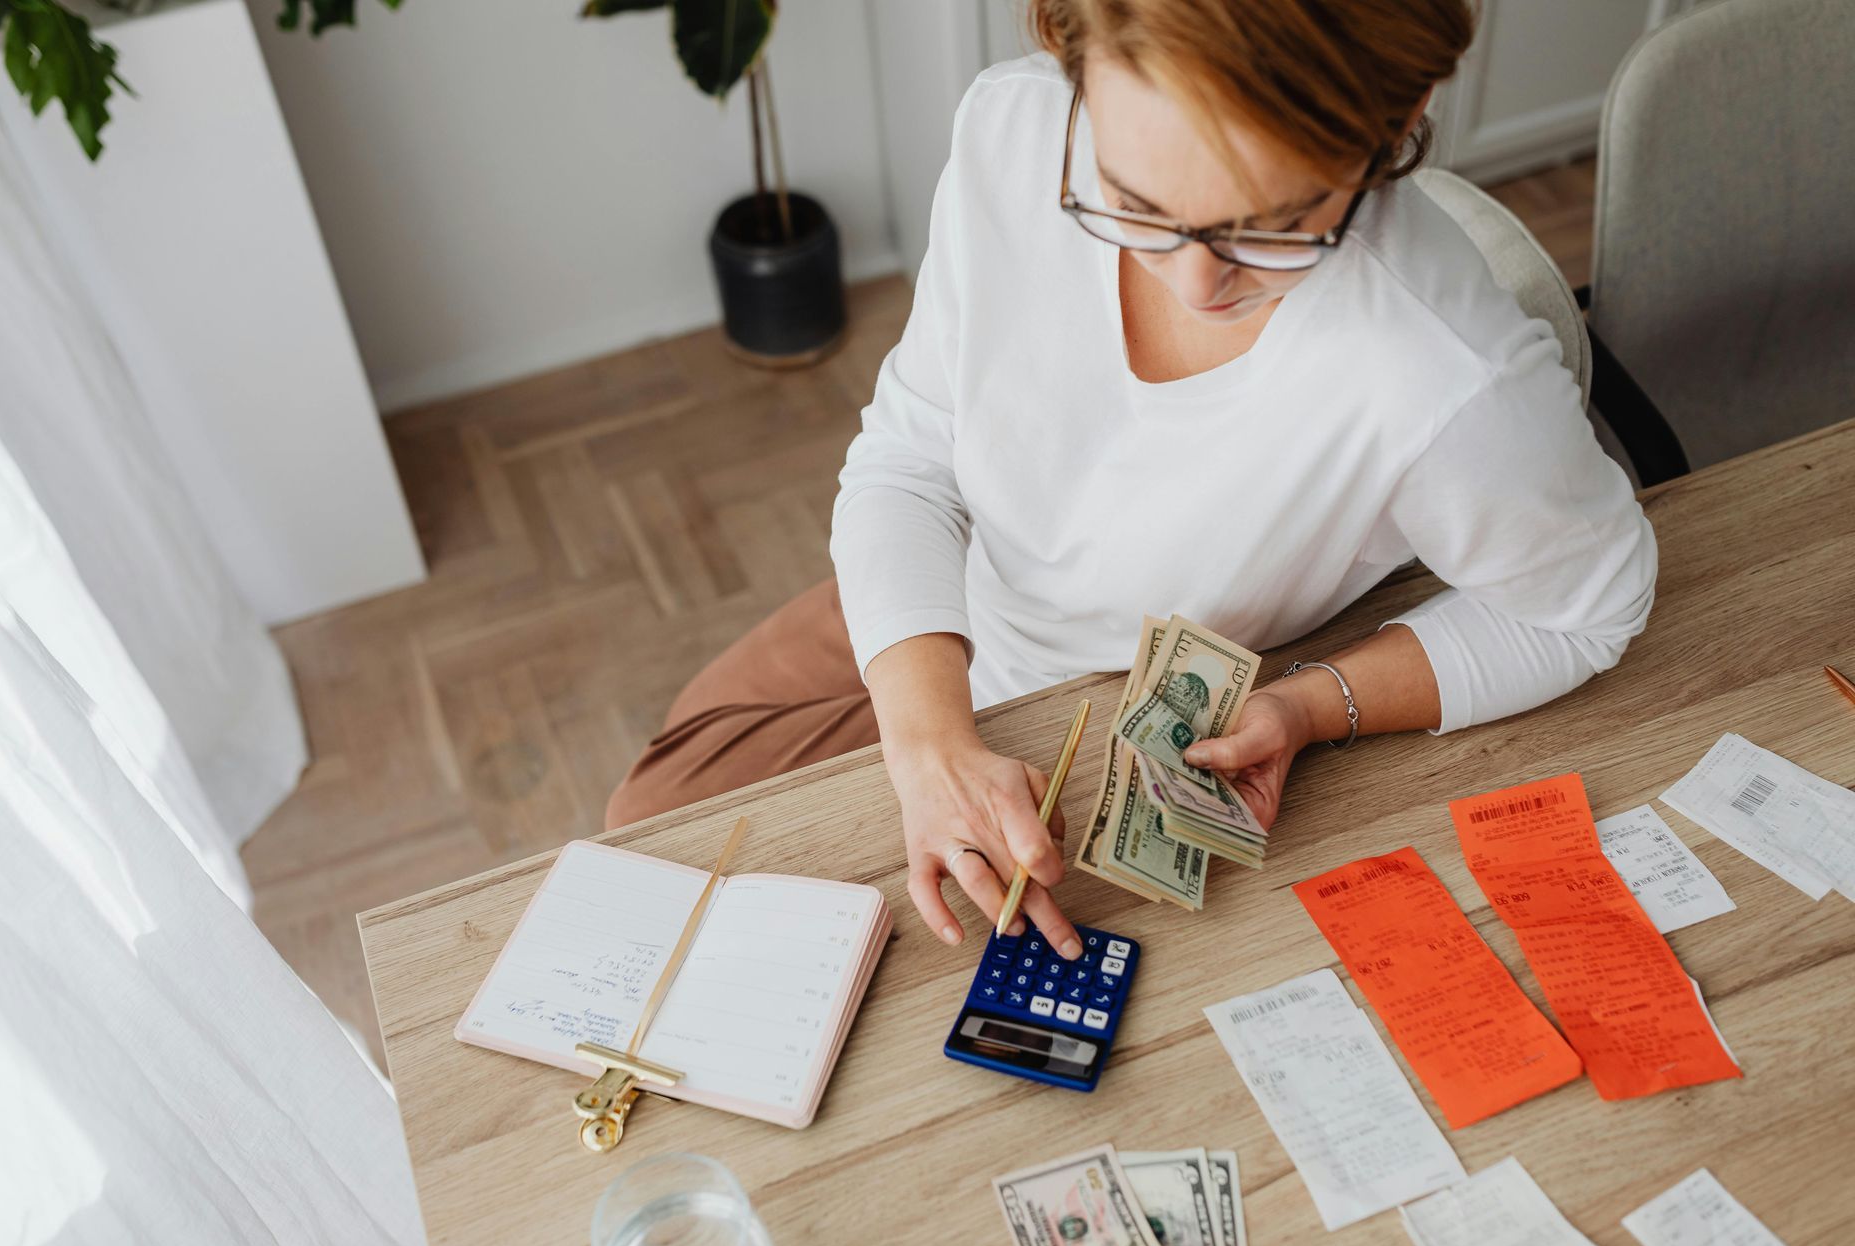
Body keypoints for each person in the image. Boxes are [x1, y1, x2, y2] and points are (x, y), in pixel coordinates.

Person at [607, 0, 1656, 964]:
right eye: (1131, 201)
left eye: (1275, 224)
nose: (1195, 280)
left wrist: (1311, 706)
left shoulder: (1439, 373)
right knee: (643, 825)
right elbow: (912, 456)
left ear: (1402, 114)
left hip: (1088, 715)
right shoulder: (1015, 131)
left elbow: (1589, 610)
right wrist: (928, 743)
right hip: (948, 590)